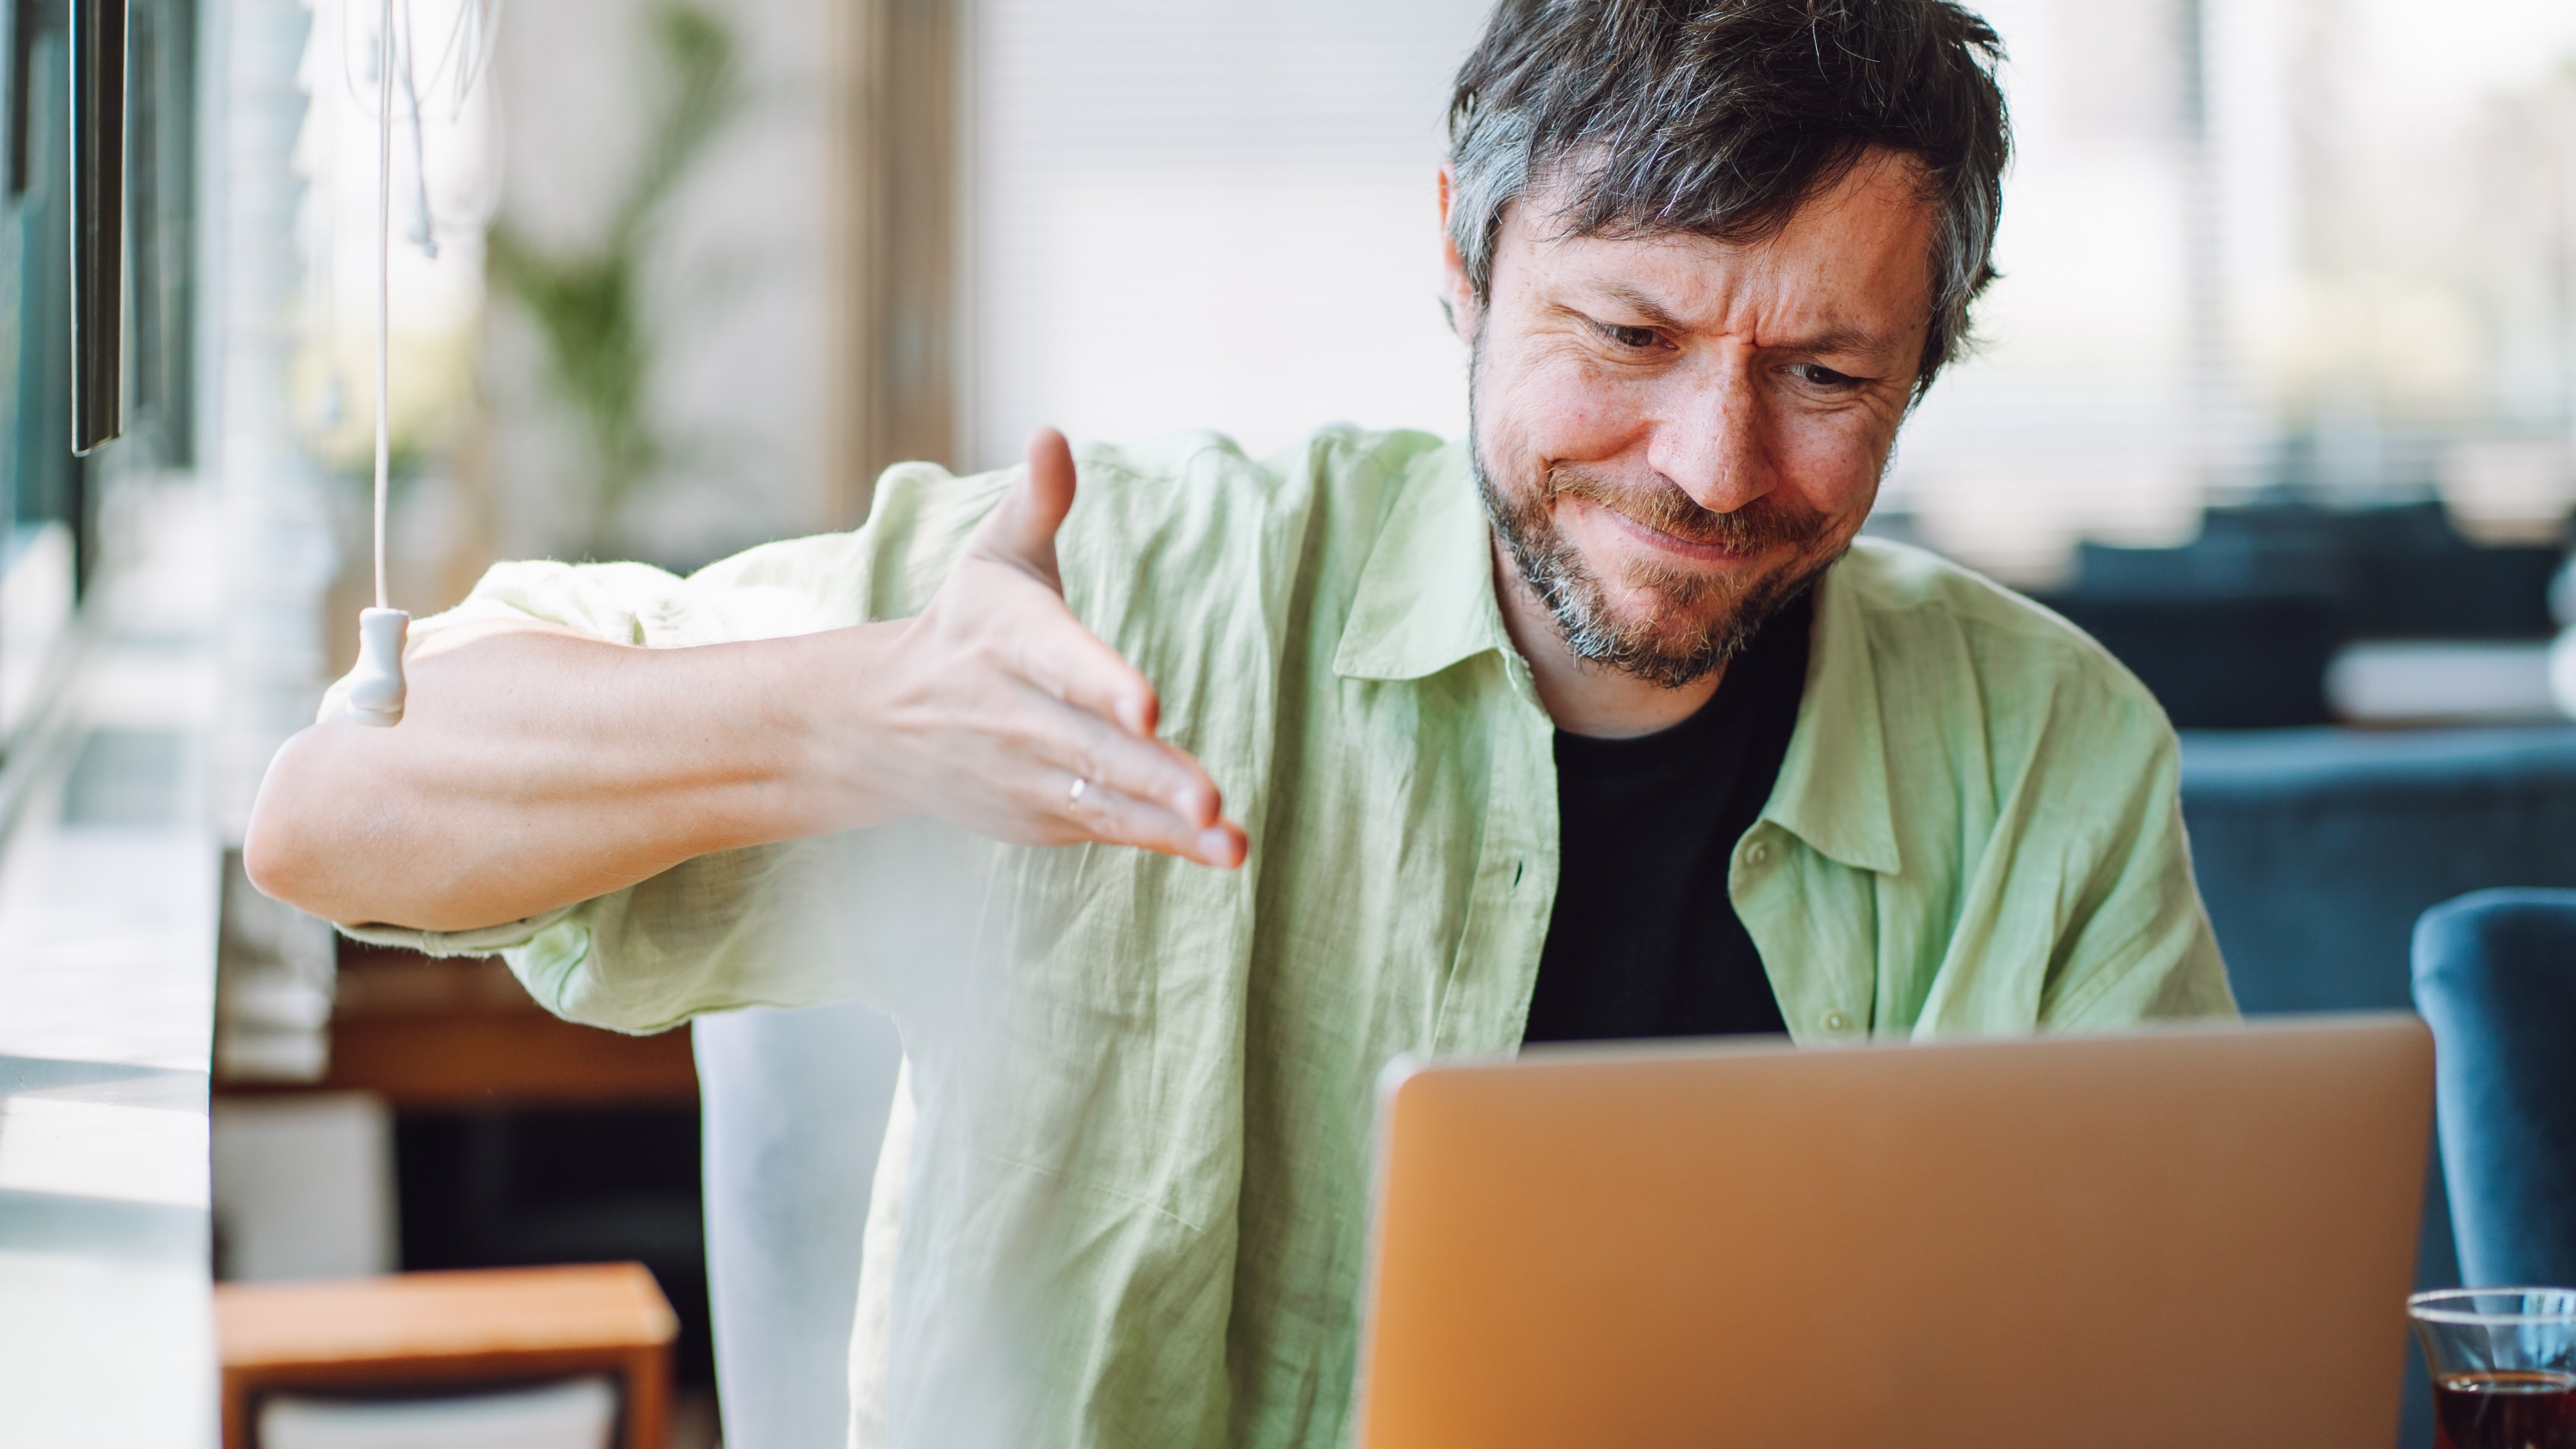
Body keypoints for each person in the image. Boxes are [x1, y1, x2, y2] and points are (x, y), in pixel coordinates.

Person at [246, 0, 2235, 1443]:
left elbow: (2178, 1368)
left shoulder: (2046, 756)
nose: (1713, 464)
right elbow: (341, 810)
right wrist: (861, 713)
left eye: (1824, 375)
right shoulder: (1134, 587)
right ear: (1463, 256)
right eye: (1628, 335)